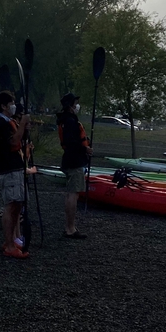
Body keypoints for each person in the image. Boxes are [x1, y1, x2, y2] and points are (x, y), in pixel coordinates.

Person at [0, 91, 31, 259]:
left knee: (17, 205)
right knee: (11, 205)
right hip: (9, 169)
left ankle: (13, 240)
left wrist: (25, 129)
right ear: (4, 106)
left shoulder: (9, 122)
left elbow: (20, 140)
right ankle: (9, 244)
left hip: (17, 167)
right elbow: (13, 142)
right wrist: (22, 125)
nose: (14, 106)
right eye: (11, 103)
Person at [56, 92, 91, 238]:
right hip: (74, 160)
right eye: (75, 103)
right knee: (72, 193)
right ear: (70, 105)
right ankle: (70, 228)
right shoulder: (70, 121)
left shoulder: (66, 120)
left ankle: (70, 227)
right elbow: (71, 142)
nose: (77, 105)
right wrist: (85, 149)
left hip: (71, 159)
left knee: (72, 193)